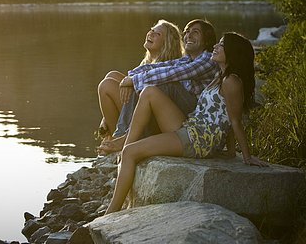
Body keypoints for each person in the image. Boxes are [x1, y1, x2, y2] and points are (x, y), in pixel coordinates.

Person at [106, 32, 268, 214]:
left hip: (198, 140)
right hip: (192, 128)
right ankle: (127, 141)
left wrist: (246, 156)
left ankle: (110, 213)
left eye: (221, 45)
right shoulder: (221, 76)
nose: (215, 46)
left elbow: (235, 120)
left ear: (233, 52)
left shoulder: (232, 82)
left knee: (130, 153)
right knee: (149, 91)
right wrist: (230, 152)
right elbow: (226, 117)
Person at [98, 19, 218, 154]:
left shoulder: (208, 59)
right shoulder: (187, 59)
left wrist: (134, 81)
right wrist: (130, 78)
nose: (189, 35)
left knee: (163, 83)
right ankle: (119, 135)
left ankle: (123, 137)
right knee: (115, 78)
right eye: (187, 32)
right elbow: (161, 66)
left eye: (195, 32)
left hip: (193, 116)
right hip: (176, 109)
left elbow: (174, 73)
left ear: (207, 40)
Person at [97, 20, 183, 141]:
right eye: (152, 30)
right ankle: (113, 136)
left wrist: (129, 84)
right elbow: (131, 83)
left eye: (157, 34)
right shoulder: (147, 63)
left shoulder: (166, 68)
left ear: (167, 43)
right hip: (136, 111)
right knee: (113, 75)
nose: (150, 34)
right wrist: (105, 118)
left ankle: (118, 138)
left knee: (106, 86)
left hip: (149, 121)